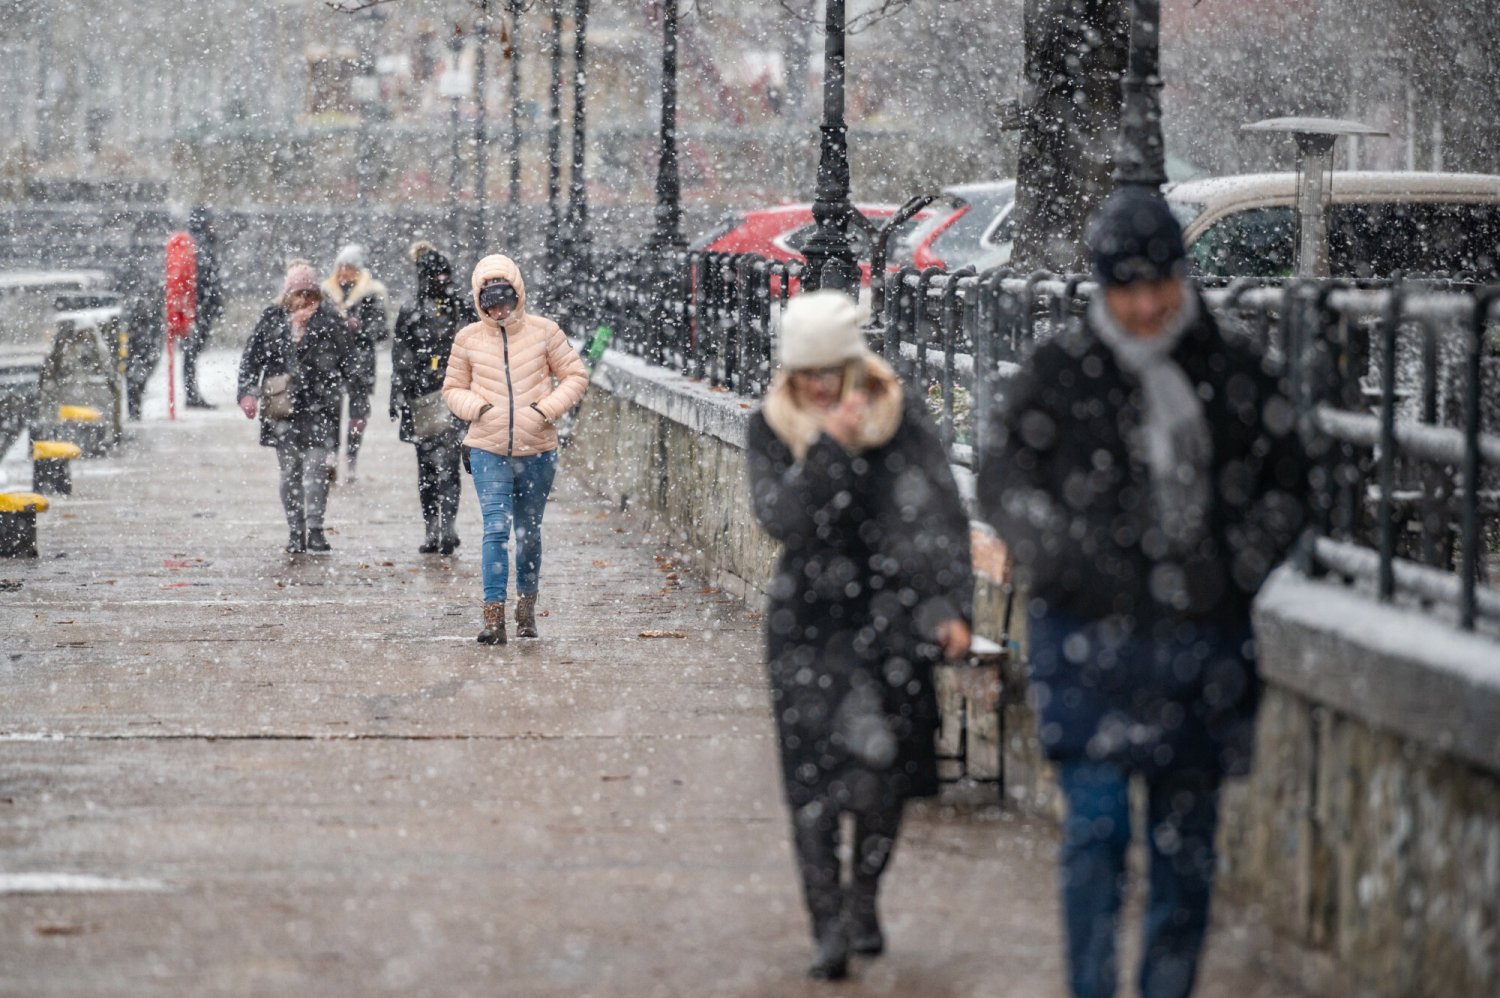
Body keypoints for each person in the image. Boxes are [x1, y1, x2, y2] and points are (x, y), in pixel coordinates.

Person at [977, 186, 1307, 998]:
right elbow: (1003, 479)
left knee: (1184, 847)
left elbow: (1290, 484)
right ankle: (1091, 985)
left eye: (1162, 283)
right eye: (1129, 288)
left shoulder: (1229, 368)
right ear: (1103, 288)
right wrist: (1059, 558)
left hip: (1202, 640)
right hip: (1087, 634)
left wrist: (1235, 568)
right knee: (1095, 829)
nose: (1150, 304)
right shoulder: (1062, 372)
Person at [746, 290, 973, 981]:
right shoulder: (774, 425)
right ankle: (828, 928)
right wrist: (830, 450)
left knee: (884, 781)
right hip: (807, 625)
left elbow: (938, 518)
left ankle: (864, 898)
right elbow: (782, 517)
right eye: (806, 374)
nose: (819, 386)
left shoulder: (900, 421)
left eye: (830, 372)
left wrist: (946, 605)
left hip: (890, 621)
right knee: (811, 787)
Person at [441, 255, 588, 644]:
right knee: (495, 529)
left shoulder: (544, 332)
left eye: (504, 296)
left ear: (518, 292)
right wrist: (478, 409)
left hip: (537, 447)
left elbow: (575, 374)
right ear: (478, 299)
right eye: (488, 299)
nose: (498, 307)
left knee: (528, 532)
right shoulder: (467, 338)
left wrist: (546, 409)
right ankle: (493, 617)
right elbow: (453, 388)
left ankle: (526, 608)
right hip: (487, 447)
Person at [237, 261, 357, 555]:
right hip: (283, 407)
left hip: (321, 407)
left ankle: (315, 528)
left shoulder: (329, 320)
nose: (304, 300)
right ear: (287, 293)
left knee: (317, 470)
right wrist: (247, 394)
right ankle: (295, 530)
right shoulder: (272, 318)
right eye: (298, 293)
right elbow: (251, 358)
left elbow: (351, 365)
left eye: (309, 293)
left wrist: (358, 408)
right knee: (290, 471)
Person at [391, 241, 476, 555]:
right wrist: (398, 393)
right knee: (426, 466)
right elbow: (400, 354)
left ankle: (447, 527)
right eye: (435, 275)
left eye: (445, 274)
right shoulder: (411, 310)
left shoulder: (460, 307)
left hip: (453, 393)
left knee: (450, 464)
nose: (441, 280)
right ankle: (432, 528)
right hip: (422, 396)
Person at [321, 243, 386, 484]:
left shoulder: (371, 294)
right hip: (334, 361)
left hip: (361, 362)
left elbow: (381, 330)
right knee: (330, 411)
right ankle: (331, 456)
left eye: (348, 268)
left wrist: (361, 328)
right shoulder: (327, 294)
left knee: (358, 414)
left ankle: (351, 460)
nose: (343, 273)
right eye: (340, 267)